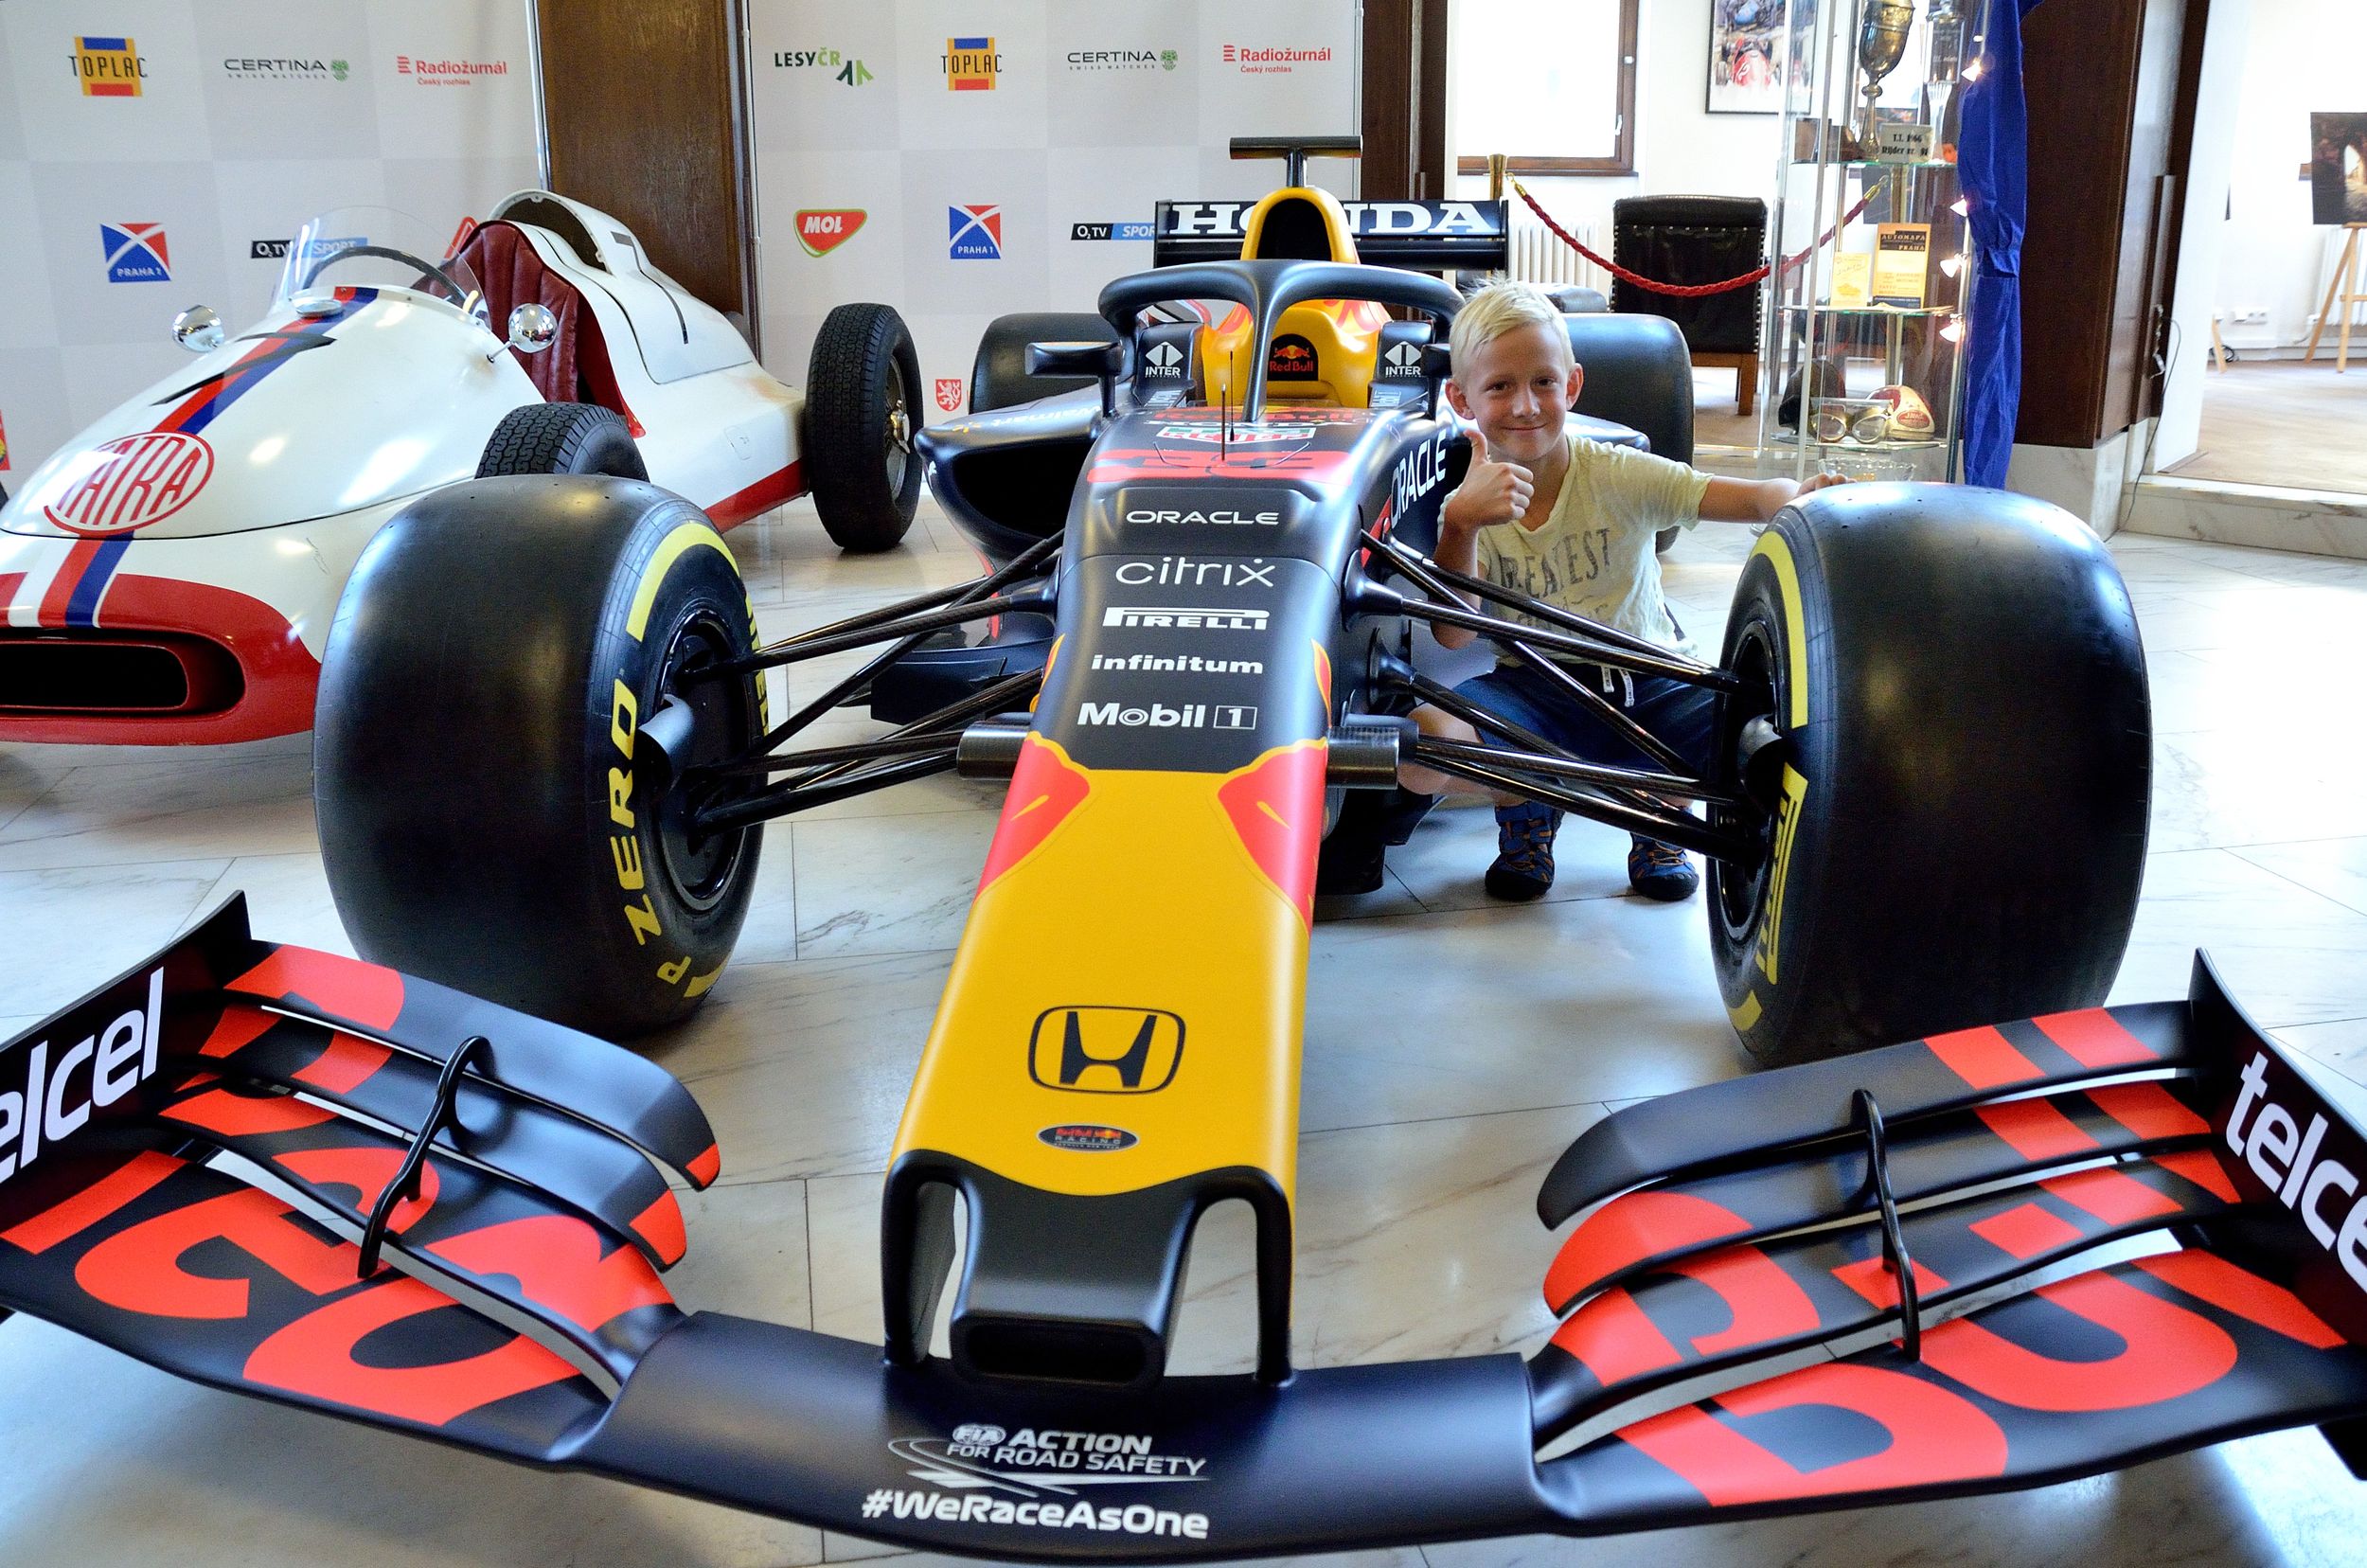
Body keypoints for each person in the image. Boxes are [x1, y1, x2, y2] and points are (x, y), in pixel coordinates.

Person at [1397, 280, 1851, 902]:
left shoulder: (1617, 473)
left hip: (1653, 682)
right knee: (1418, 749)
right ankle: (1531, 800)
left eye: (1543, 382)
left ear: (1572, 386)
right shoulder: (1467, 504)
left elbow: (1741, 497)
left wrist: (1796, 495)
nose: (1525, 405)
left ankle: (1658, 813)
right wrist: (1460, 525)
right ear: (1461, 399)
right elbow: (1453, 635)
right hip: (1538, 692)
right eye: (1499, 387)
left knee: (1773, 740)